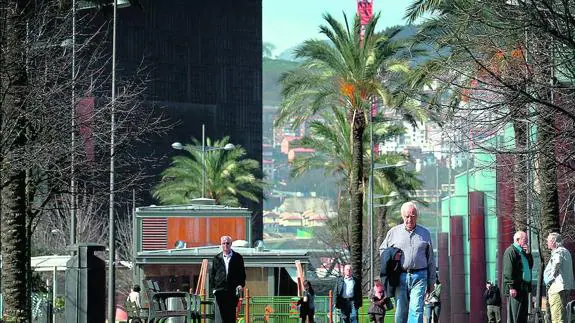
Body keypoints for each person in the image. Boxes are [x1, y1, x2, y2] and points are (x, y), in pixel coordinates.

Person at [380, 201, 435, 323]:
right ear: (402, 216)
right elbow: (383, 251)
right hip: (400, 276)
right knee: (401, 310)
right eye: (407, 216)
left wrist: (431, 282)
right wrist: (392, 257)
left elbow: (431, 258)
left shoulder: (424, 233)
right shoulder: (393, 232)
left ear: (417, 216)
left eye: (413, 216)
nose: (409, 219)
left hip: (420, 276)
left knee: (416, 309)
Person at [209, 235, 246, 323]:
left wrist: (241, 285)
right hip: (220, 290)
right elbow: (212, 275)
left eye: (227, 243)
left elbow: (242, 274)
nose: (226, 245)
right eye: (223, 243)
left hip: (232, 290)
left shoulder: (238, 257)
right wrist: (213, 289)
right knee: (222, 314)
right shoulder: (216, 258)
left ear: (231, 244)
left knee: (231, 313)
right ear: (221, 244)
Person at [502, 231, 533, 323]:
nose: (527, 242)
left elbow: (530, 265)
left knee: (522, 315)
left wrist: (528, 254)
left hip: (524, 287)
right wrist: (511, 287)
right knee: (516, 315)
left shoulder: (522, 251)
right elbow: (508, 270)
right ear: (517, 240)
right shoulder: (510, 251)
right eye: (525, 239)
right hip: (516, 288)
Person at [543, 232, 574, 323]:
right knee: (560, 315)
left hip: (557, 289)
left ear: (553, 242)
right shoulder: (566, 251)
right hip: (563, 288)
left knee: (557, 317)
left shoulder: (559, 252)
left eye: (548, 241)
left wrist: (551, 276)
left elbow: (557, 263)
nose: (547, 243)